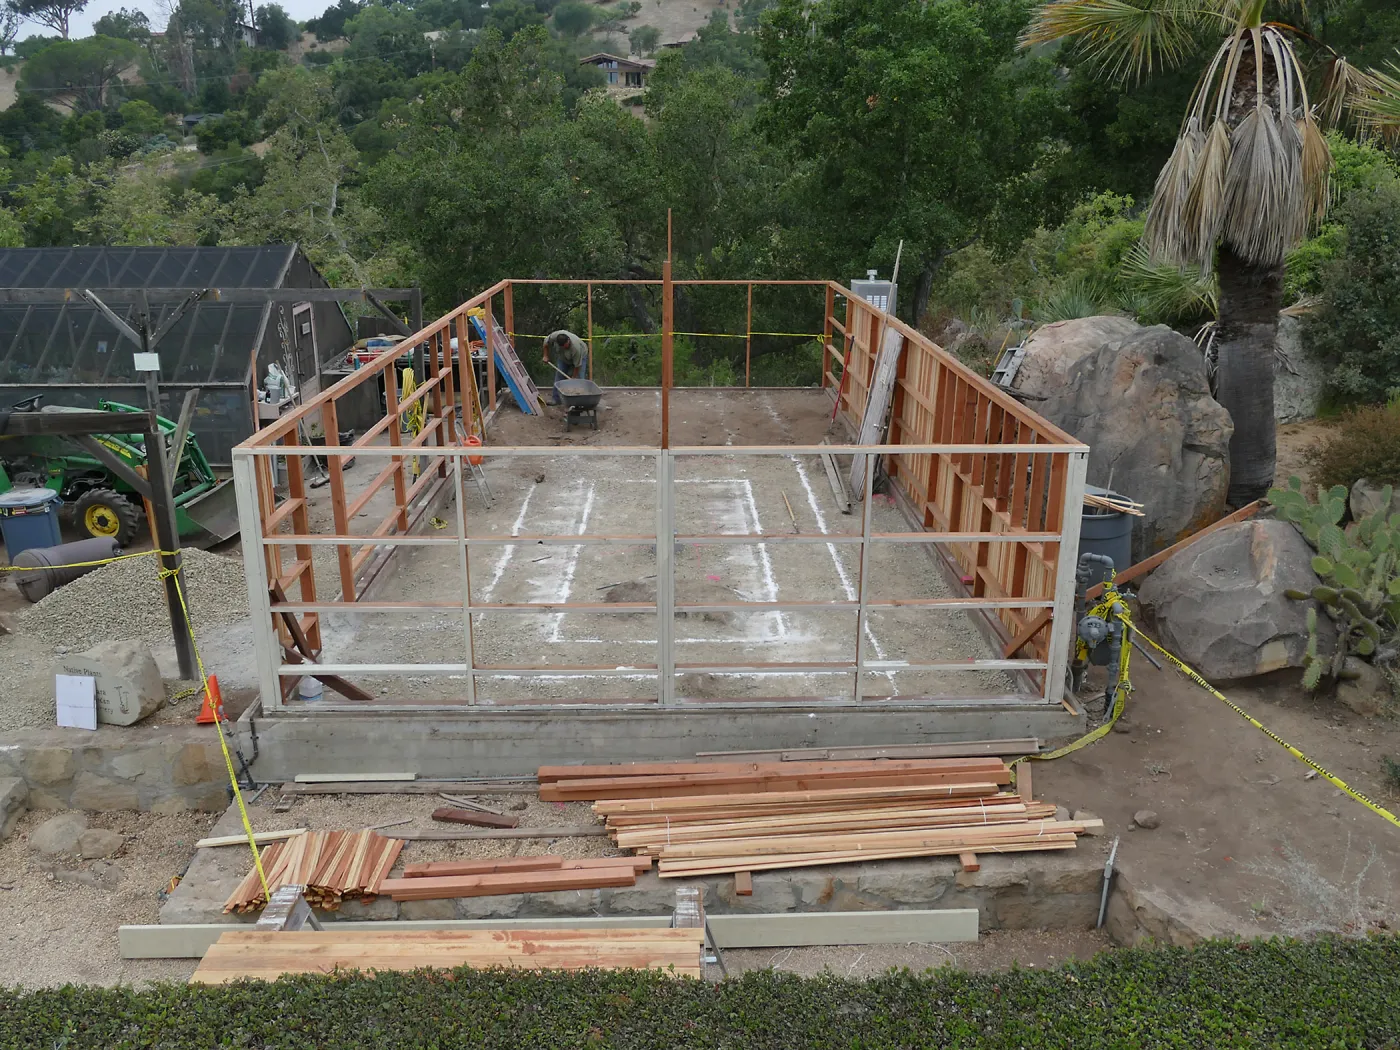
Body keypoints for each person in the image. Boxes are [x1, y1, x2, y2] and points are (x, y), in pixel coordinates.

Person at [543, 330, 588, 405]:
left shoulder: (576, 348)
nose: (565, 347)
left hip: (581, 356)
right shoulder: (554, 336)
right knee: (559, 376)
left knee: (579, 379)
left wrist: (573, 378)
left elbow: (577, 365)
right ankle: (556, 399)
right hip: (563, 358)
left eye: (566, 345)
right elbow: (545, 343)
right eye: (563, 346)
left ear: (568, 340)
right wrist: (545, 355)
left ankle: (579, 403)